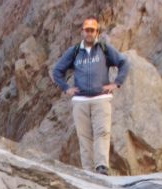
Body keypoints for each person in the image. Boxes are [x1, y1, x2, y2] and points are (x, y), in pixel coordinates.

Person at [51, 18, 129, 175]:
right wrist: (66, 88)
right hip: (80, 101)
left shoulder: (104, 49)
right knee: (84, 137)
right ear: (82, 32)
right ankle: (88, 172)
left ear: (97, 33)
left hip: (101, 99)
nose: (89, 33)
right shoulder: (74, 52)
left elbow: (124, 63)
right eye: (87, 30)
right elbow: (57, 70)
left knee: (102, 132)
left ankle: (101, 167)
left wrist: (116, 83)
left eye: (92, 30)